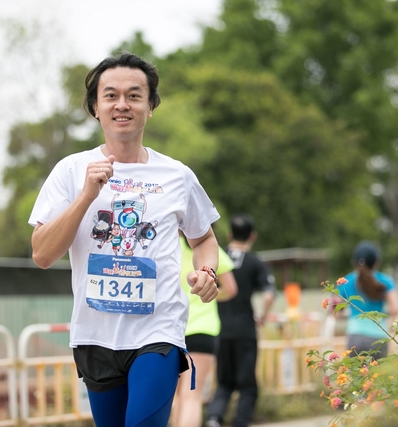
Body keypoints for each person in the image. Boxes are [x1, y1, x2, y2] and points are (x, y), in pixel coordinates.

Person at [28, 52, 221, 427]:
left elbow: (203, 240)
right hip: (95, 335)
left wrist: (207, 272)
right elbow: (42, 254)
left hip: (158, 331)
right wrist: (86, 196)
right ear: (95, 108)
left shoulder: (177, 175)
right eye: (111, 96)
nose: (122, 105)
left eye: (134, 95)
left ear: (150, 106)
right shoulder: (70, 171)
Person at [205, 214, 276, 427]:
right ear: (252, 236)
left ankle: (214, 418)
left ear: (230, 235)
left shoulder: (217, 256)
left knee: (224, 381)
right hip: (245, 329)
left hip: (219, 327)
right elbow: (269, 295)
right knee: (247, 384)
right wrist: (262, 317)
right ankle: (240, 421)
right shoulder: (256, 262)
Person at [171, 233, 238, 427]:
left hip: (172, 329)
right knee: (192, 396)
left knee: (176, 396)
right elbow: (231, 289)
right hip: (202, 328)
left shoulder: (168, 245)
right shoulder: (208, 248)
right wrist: (209, 295)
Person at [336, 241, 398, 359]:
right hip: (379, 338)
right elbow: (395, 309)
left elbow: (335, 313)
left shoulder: (345, 282)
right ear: (376, 262)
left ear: (354, 262)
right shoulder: (385, 281)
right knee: (379, 371)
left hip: (355, 337)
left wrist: (350, 313)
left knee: (356, 371)